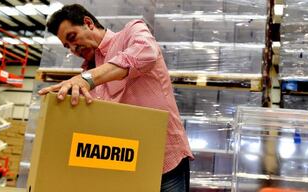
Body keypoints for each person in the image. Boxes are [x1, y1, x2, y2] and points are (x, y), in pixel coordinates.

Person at [38, 4, 193, 192]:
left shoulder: (131, 32)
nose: (73, 49)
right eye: (67, 46)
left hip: (165, 162)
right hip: (127, 165)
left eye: (72, 38)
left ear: (88, 23)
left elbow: (146, 52)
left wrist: (89, 79)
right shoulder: (88, 71)